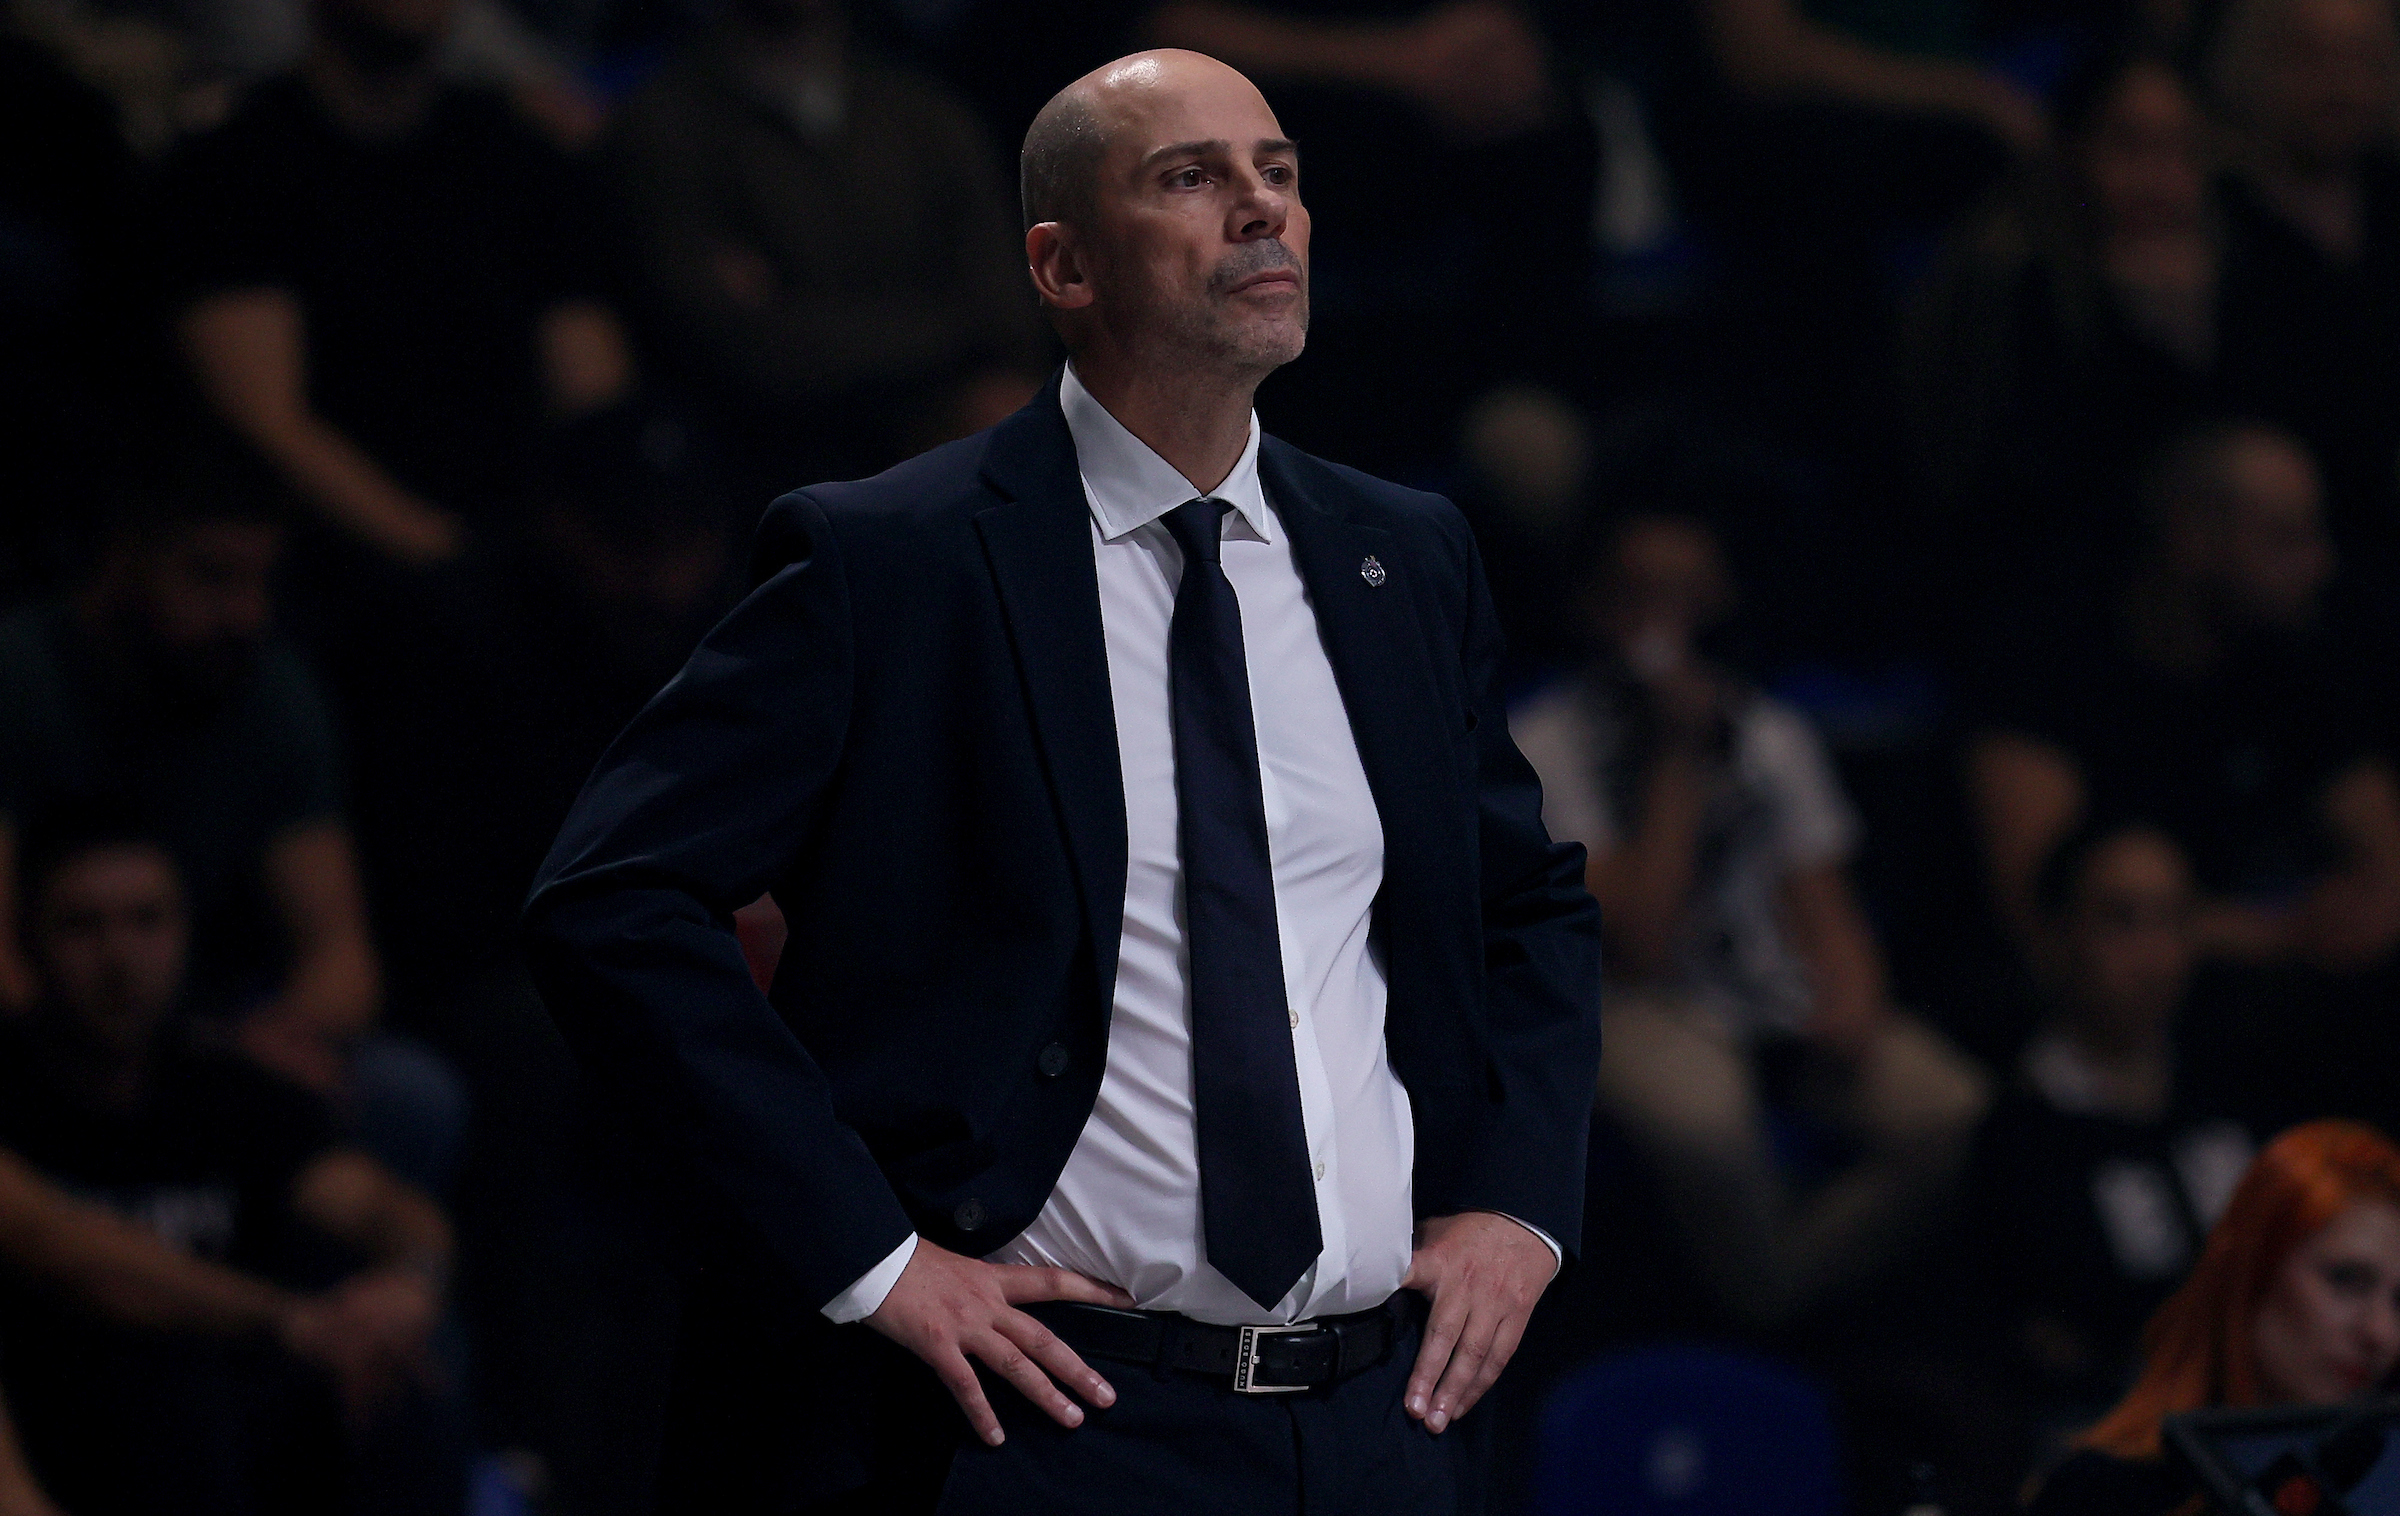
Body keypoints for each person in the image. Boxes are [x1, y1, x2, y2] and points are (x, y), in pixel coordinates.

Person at [524, 48, 1602, 1515]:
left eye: (1277, 174)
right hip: (1046, 1425)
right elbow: (612, 897)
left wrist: (1519, 1208)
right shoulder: (894, 561)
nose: (1259, 211)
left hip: (1374, 1422)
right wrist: (870, 1260)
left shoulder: (1400, 554)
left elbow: (1527, 903)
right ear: (1063, 266)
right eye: (1189, 179)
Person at [1510, 512, 1987, 1331]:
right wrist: (1677, 754)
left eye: (1689, 597)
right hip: (1629, 999)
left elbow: (1825, 904)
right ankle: (1769, 1322)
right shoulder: (1542, 745)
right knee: (1707, 1129)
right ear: (1595, 605)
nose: (1666, 622)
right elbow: (1640, 935)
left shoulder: (1772, 734)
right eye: (1641, 596)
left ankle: (1789, 1290)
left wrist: (1853, 999)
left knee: (1954, 1110)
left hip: (1768, 992)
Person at [0, 821, 460, 1515]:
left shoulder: (229, 1088)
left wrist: (411, 1282)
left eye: (146, 921)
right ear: (28, 941)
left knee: (414, 1362)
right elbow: (68, 1254)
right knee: (161, 1384)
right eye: (81, 926)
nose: (119, 956)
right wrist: (290, 1319)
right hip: (60, 1410)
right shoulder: (9, 1091)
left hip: (243, 1417)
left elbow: (376, 1205)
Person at [157, 0, 631, 569]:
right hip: (330, 570)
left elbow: (592, 388)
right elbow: (271, 425)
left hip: (532, 549)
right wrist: (453, 558)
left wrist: (587, 540)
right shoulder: (234, 169)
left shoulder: (515, 156)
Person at [1967, 422, 2400, 973]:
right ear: (2189, 531)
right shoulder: (2047, 656)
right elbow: (2045, 915)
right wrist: (2283, 935)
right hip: (2085, 1016)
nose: (2320, 566)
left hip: (2280, 1001)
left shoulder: (2296, 660)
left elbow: (2385, 859)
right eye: (2284, 538)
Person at [602, 0, 1047, 488]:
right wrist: (932, 328)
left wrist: (797, 313)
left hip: (928, 422)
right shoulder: (665, 124)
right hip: (751, 448)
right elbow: (731, 347)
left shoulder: (927, 117)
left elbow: (1004, 315)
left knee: (1008, 418)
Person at [1970, 822, 2262, 1420]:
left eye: (2173, 919)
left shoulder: (2241, 1084)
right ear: (2055, 937)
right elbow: (2051, 1344)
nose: (2155, 958)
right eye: (2121, 920)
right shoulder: (2018, 1134)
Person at [2024, 1119, 2400, 1514]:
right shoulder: (2103, 1493)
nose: (2382, 1333)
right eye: (2347, 1280)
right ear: (2252, 1271)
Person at [2206, 0, 2400, 573]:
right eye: (2307, 58)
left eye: (2362, 59)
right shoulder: (2212, 218)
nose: (2340, 84)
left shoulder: (2389, 202)